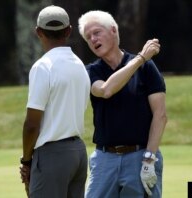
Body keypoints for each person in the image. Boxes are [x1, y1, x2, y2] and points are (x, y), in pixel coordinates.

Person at [78, 10, 167, 198]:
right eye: (88, 37)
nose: (93, 39)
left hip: (140, 156)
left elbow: (160, 115)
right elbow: (106, 90)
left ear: (113, 30)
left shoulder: (147, 68)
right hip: (104, 159)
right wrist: (141, 58)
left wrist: (150, 159)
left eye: (96, 32)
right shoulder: (91, 71)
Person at [19, 5, 90, 198]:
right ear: (68, 31)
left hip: (52, 156)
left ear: (38, 32)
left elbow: (32, 124)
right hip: (78, 153)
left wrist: (26, 161)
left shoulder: (43, 67)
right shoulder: (79, 66)